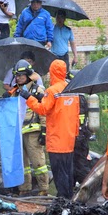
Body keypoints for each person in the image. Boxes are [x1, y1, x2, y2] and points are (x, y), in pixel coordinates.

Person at [22, 59, 79, 198]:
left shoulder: (52, 90)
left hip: (57, 139)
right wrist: (42, 97)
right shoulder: (72, 89)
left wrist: (29, 98)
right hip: (69, 139)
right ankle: (69, 199)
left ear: (52, 72)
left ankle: (62, 201)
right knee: (68, 172)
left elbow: (43, 109)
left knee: (59, 173)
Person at [4, 60, 49, 196]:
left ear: (28, 75)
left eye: (20, 75)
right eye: (16, 76)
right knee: (22, 164)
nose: (17, 78)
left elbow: (43, 111)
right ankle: (24, 189)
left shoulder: (37, 90)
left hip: (33, 132)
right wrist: (1, 101)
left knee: (38, 163)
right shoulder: (15, 92)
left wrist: (44, 131)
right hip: (18, 133)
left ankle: (43, 189)